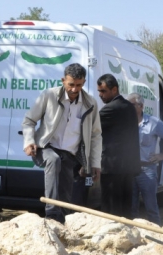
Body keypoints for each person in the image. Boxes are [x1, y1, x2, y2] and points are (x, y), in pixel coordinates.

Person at [22, 63, 102, 223]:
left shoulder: (90, 104)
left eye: (78, 85)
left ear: (84, 83)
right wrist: (29, 141)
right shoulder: (49, 96)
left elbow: (95, 135)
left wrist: (95, 163)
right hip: (46, 148)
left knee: (66, 195)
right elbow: (29, 121)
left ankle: (62, 224)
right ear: (63, 80)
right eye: (71, 84)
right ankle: (51, 212)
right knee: (53, 159)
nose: (74, 89)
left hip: (70, 154)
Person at [128, 92, 163, 225]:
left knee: (151, 207)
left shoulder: (152, 122)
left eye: (132, 105)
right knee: (131, 209)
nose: (129, 108)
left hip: (147, 170)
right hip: (129, 170)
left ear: (141, 106)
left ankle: (157, 236)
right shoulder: (126, 122)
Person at [96, 74, 140, 218]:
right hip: (128, 167)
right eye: (99, 92)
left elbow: (89, 128)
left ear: (114, 89)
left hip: (113, 167)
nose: (100, 95)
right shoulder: (129, 107)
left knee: (110, 210)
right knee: (125, 208)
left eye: (103, 91)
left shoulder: (110, 109)